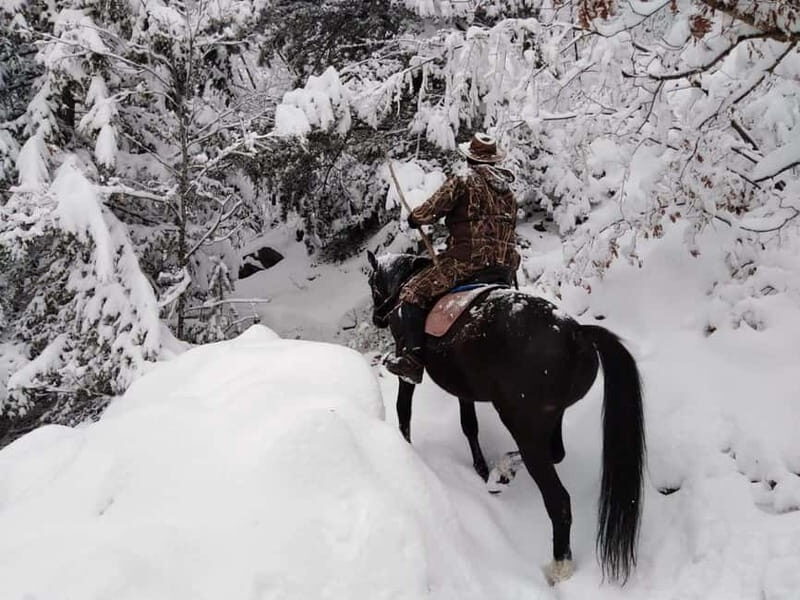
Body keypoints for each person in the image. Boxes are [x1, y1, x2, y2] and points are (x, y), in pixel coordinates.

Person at [385, 132, 521, 384]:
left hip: (467, 263)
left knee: (412, 293)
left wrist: (416, 217)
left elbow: (430, 211)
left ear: (469, 158)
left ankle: (413, 361)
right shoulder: (509, 194)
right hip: (504, 268)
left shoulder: (463, 180)